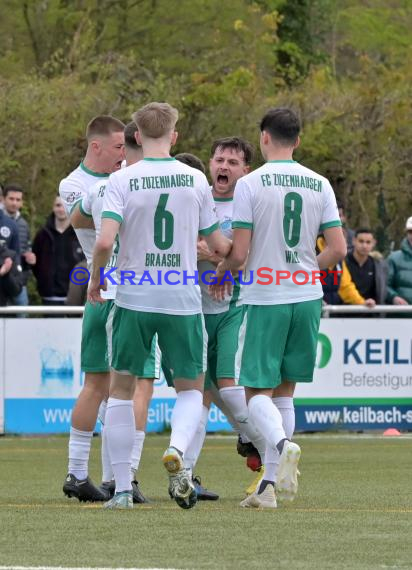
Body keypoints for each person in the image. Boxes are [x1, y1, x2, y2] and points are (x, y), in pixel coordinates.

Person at [88, 102, 230, 510]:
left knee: (120, 391)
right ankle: (179, 456)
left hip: (134, 295)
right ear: (175, 136)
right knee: (191, 388)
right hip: (182, 297)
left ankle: (119, 490)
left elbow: (102, 242)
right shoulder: (195, 179)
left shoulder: (122, 179)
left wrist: (98, 279)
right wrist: (226, 256)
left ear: (134, 137)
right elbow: (218, 244)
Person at [212, 107, 346, 508]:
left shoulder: (250, 185)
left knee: (256, 392)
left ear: (264, 138)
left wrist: (222, 272)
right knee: (285, 392)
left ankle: (283, 443)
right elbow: (338, 249)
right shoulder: (320, 183)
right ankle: (269, 487)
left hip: (266, 298)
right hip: (306, 297)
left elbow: (239, 253)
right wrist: (305, 270)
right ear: (298, 140)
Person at [70, 121, 153, 504]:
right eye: (119, 145)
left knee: (102, 387)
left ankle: (87, 474)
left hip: (100, 292)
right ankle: (121, 479)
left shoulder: (102, 187)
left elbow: (78, 218)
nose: (123, 152)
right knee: (126, 389)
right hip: (125, 295)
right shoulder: (135, 186)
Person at [185, 138, 267, 499]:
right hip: (192, 308)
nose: (224, 166)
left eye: (233, 162)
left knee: (227, 384)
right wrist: (199, 249)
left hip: (234, 307)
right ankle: (185, 474)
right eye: (219, 159)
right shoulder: (195, 196)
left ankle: (271, 446)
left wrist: (217, 257)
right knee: (199, 392)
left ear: (245, 170)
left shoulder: (249, 201)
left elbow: (253, 257)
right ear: (209, 163)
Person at [60, 115, 125, 502]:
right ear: (96, 146)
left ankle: (108, 477)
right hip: (111, 292)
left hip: (113, 292)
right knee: (112, 386)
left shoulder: (122, 176)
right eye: (119, 147)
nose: (124, 154)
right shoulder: (74, 185)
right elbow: (83, 223)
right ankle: (84, 473)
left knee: (112, 388)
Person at [32, 196, 83, 305]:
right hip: (49, 296)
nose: (61, 209)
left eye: (64, 206)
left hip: (75, 297)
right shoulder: (42, 235)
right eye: (58, 205)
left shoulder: (80, 235)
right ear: (53, 207)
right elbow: (35, 264)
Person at [3, 184, 36, 309]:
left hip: (18, 280)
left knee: (23, 313)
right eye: (11, 199)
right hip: (2, 277)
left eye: (18, 200)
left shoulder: (24, 224)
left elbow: (26, 248)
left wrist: (30, 259)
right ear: (3, 199)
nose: (14, 203)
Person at [345, 228, 387, 307]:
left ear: (373, 243)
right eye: (361, 241)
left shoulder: (378, 265)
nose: (364, 246)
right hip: (343, 313)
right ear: (354, 241)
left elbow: (381, 291)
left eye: (368, 242)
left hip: (370, 313)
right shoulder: (343, 262)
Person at [386, 217, 412, 307]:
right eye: (410, 232)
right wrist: (394, 297)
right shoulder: (393, 258)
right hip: (399, 316)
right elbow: (384, 285)